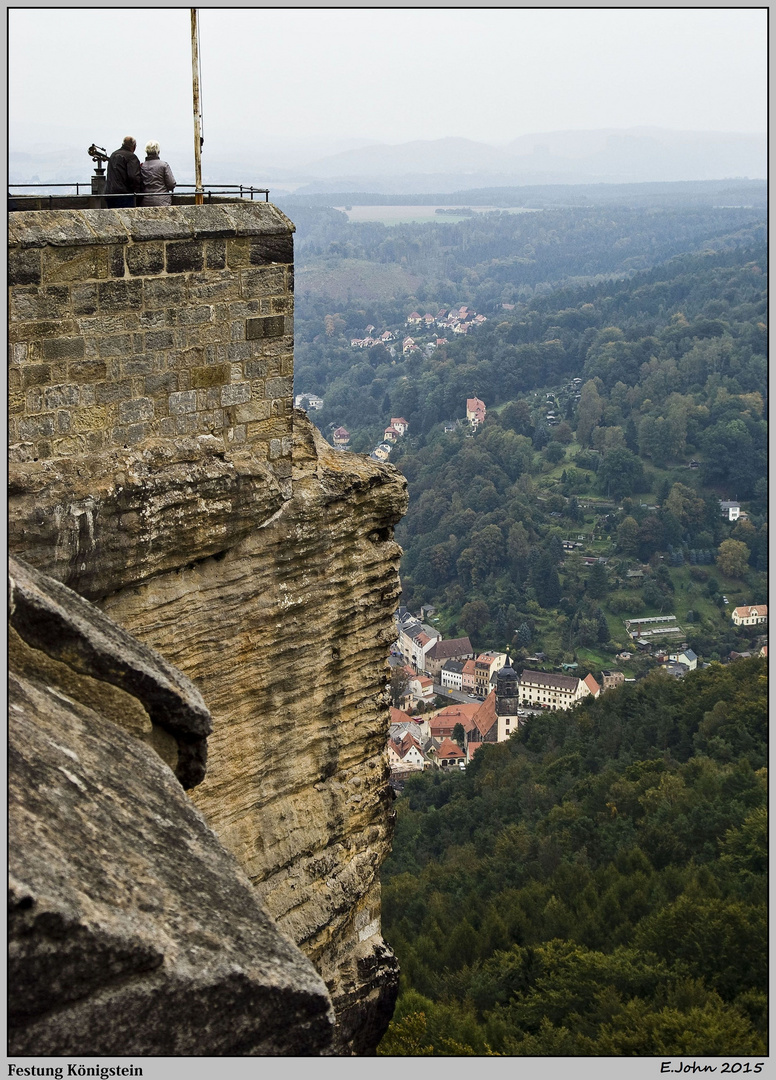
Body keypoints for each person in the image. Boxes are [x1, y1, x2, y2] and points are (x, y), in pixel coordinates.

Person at [105, 136, 143, 207]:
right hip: (124, 195)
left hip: (110, 193)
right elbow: (134, 177)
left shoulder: (113, 155)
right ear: (134, 146)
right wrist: (138, 194)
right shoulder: (131, 157)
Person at [140, 141, 176, 206]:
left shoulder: (142, 166)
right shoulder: (163, 165)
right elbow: (171, 184)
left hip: (145, 200)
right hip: (162, 200)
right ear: (158, 151)